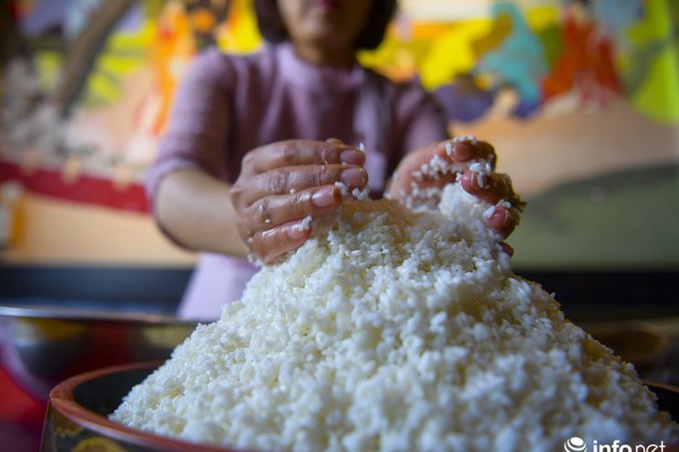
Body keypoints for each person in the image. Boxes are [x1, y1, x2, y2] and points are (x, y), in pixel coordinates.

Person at [148, 0, 524, 320]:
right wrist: (252, 222)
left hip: (359, 323)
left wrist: (421, 212)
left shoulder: (409, 103)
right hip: (225, 312)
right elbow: (173, 188)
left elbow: (440, 186)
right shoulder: (222, 75)